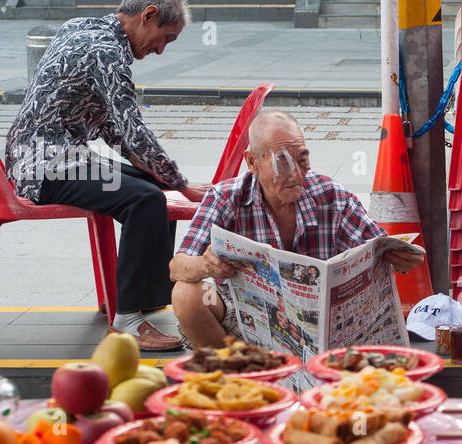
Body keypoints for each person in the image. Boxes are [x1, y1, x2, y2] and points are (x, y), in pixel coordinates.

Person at [5, 0, 206, 352]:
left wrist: (158, 172)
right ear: (147, 16)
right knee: (145, 200)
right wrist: (183, 184)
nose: (161, 50)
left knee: (151, 185)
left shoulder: (82, 26)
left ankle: (142, 297)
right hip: (45, 166)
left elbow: (110, 126)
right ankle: (127, 321)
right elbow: (132, 130)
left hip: (56, 156)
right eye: (166, 38)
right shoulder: (106, 52)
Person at [171, 111, 423, 349]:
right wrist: (205, 265)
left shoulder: (332, 196)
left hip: (319, 326)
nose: (295, 175)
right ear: (252, 162)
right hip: (249, 321)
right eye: (283, 162)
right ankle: (236, 379)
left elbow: (378, 247)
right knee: (186, 295)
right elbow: (177, 266)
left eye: (302, 160)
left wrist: (401, 257)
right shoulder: (226, 197)